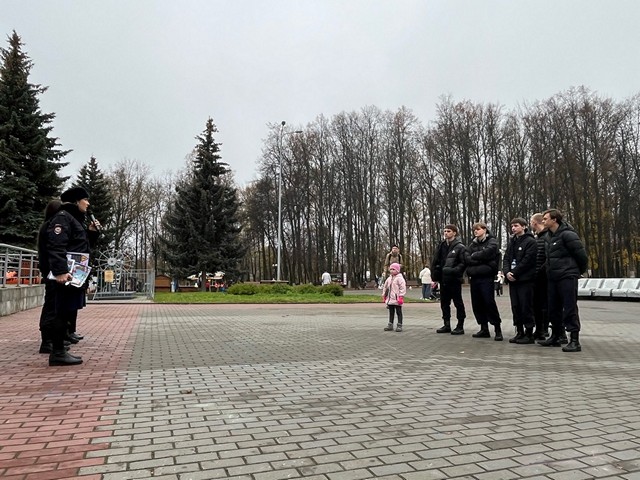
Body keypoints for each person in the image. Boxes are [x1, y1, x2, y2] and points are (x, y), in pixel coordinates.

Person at [43, 186, 100, 366]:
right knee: (60, 311)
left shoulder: (74, 219)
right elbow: (56, 246)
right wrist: (60, 271)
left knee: (66, 311)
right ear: (76, 201)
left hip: (74, 274)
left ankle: (60, 349)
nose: (88, 203)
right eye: (85, 199)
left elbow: (80, 246)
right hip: (65, 275)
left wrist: (91, 232)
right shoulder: (63, 218)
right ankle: (57, 352)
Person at [538, 208, 588, 352]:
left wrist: (576, 271)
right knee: (553, 308)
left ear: (554, 220)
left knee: (569, 307)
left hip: (567, 276)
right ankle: (555, 336)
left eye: (546, 219)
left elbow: (581, 256)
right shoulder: (548, 236)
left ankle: (574, 340)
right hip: (552, 277)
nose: (543, 221)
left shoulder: (568, 235)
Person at [465, 222, 503, 340]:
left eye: (478, 229)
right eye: (474, 230)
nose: (475, 231)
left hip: (487, 278)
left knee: (489, 302)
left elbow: (489, 253)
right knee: (477, 303)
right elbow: (467, 258)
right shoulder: (472, 244)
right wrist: (482, 259)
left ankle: (497, 328)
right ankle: (483, 328)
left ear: (485, 230)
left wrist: (475, 256)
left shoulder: (492, 242)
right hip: (475, 278)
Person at [503, 217, 538, 344]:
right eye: (512, 226)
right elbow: (506, 258)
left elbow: (527, 260)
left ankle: (529, 333)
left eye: (516, 226)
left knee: (526, 306)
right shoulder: (512, 242)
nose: (513, 228)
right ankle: (519, 331)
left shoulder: (530, 241)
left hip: (525, 280)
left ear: (523, 226)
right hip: (513, 281)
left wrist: (515, 272)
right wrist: (507, 272)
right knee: (515, 306)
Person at [37, 199, 62, 354]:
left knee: (51, 304)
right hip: (51, 271)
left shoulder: (45, 227)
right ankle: (47, 340)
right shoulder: (51, 228)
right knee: (51, 305)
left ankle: (49, 339)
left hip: (48, 270)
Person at [431, 224, 466, 334]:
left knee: (458, 303)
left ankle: (460, 325)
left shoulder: (460, 247)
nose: (446, 233)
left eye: (449, 231)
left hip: (454, 279)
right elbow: (436, 261)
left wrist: (455, 271)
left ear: (454, 233)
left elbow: (463, 263)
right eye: (445, 231)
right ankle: (446, 324)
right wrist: (435, 273)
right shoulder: (441, 245)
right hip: (443, 279)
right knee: (444, 303)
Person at [530, 213, 551, 340]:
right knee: (536, 304)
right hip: (536, 275)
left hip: (544, 276)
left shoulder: (547, 237)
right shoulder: (537, 238)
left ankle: (544, 329)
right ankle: (539, 330)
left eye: (531, 222)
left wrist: (540, 271)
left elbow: (548, 258)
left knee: (544, 304)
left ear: (535, 222)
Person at [382, 262, 406, 332]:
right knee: (391, 312)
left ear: (397, 270)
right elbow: (385, 287)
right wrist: (384, 295)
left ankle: (399, 325)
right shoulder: (389, 279)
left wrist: (401, 296)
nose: (392, 271)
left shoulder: (400, 279)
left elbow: (402, 288)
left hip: (397, 299)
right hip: (390, 299)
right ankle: (390, 324)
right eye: (391, 269)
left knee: (399, 312)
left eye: (394, 269)